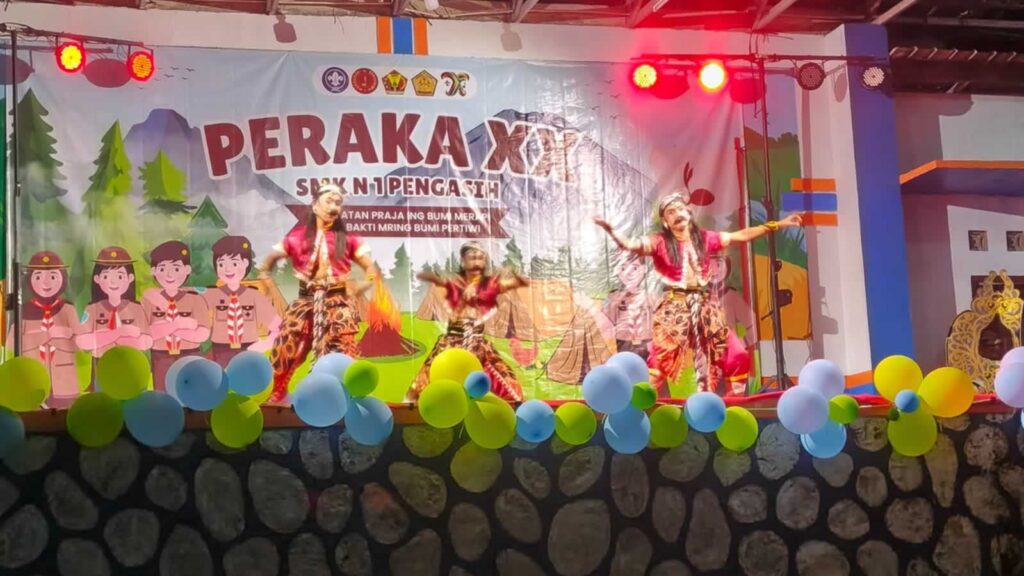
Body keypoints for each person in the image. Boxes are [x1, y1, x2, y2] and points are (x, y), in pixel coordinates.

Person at [594, 191, 802, 396]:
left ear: (689, 212)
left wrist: (779, 224)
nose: (677, 213)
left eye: (680, 208)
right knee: (659, 361)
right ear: (666, 222)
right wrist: (610, 229)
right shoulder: (659, 242)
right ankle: (646, 407)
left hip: (705, 307)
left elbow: (740, 236)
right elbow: (630, 245)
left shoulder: (706, 238)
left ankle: (733, 404)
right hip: (676, 308)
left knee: (736, 353)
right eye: (670, 212)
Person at [257, 184, 379, 403]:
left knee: (342, 354)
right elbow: (268, 262)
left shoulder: (349, 238)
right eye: (328, 201)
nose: (333, 207)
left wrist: (363, 284)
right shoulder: (297, 237)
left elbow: (370, 268)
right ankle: (274, 394)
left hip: (338, 302)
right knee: (286, 349)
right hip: (306, 300)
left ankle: (341, 398)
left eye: (337, 203)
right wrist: (265, 277)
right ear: (314, 205)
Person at [406, 241, 529, 402]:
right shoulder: (454, 283)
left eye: (480, 258)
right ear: (463, 261)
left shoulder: (490, 285)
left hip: (478, 345)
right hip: (450, 345)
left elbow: (516, 283)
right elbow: (433, 281)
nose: (477, 262)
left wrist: (514, 275)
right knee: (419, 390)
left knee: (511, 390)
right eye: (472, 258)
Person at [75, 247, 153, 382]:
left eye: (120, 276)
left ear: (130, 278)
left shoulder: (136, 308)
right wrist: (118, 334)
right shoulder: (92, 309)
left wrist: (105, 338)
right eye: (106, 276)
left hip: (131, 364)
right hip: (102, 364)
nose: (113, 282)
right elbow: (82, 341)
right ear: (97, 279)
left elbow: (147, 341)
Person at [143, 241, 211, 391]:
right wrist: (179, 324)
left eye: (176, 268)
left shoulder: (195, 299)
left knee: (192, 394)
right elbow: (147, 334)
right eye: (162, 268)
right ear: (153, 271)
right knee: (163, 394)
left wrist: (165, 328)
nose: (169, 274)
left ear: (187, 270)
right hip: (161, 357)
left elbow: (202, 333)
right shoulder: (149, 300)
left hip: (190, 355)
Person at [204, 235, 280, 368]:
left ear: (245, 263)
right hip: (221, 352)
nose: (228, 269)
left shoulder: (254, 296)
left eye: (234, 263)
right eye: (221, 264)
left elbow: (278, 327)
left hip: (249, 350)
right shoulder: (212, 295)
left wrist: (265, 344)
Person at [19, 251, 80, 408]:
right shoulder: (23, 310)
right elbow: (12, 343)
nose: (46, 283)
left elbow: (82, 343)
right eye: (38, 277)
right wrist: (46, 336)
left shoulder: (68, 309)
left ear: (63, 279)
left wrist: (67, 337)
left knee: (65, 415)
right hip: (33, 380)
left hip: (64, 380)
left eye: (53, 277)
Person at [603, 251, 657, 360]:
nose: (628, 273)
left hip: (646, 343)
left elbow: (657, 320)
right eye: (623, 268)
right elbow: (606, 323)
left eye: (635, 268)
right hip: (622, 343)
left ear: (644, 269)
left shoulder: (650, 297)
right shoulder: (614, 297)